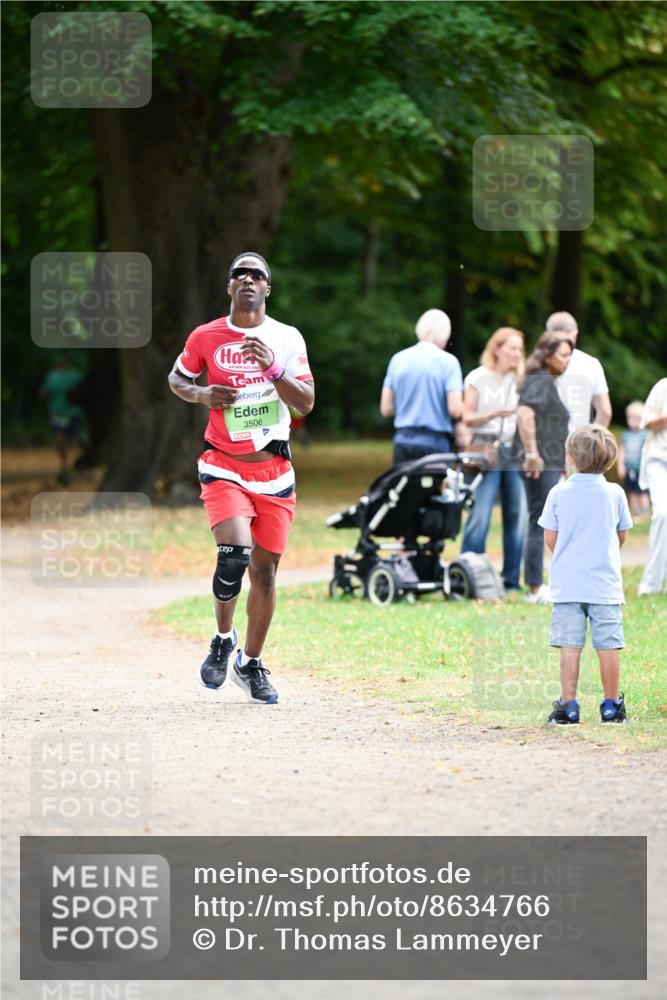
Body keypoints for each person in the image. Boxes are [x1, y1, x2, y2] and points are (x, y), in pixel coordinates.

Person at [168, 252, 315, 704]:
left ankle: (249, 664)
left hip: (274, 469)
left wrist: (273, 370)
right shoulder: (206, 335)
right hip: (223, 464)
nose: (248, 280)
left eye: (257, 275)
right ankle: (221, 637)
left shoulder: (286, 338)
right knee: (233, 555)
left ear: (267, 288)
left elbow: (306, 402)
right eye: (239, 274)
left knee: (265, 574)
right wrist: (201, 392)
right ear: (229, 286)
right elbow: (177, 378)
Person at [539, 425, 633, 724]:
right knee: (608, 645)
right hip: (604, 585)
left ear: (570, 457)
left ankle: (569, 706)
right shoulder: (615, 492)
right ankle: (610, 706)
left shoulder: (558, 492)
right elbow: (621, 535)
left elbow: (550, 539)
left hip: (567, 585)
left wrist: (568, 557)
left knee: (570, 646)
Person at [459, 327, 526, 591]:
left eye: (519, 349)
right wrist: (495, 413)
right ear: (497, 349)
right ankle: (469, 574)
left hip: (513, 450)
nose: (516, 354)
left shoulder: (519, 381)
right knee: (481, 512)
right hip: (485, 449)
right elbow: (467, 417)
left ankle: (511, 580)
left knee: (516, 513)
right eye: (512, 348)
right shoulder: (478, 377)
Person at [515, 330, 573, 603]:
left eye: (570, 355)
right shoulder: (539, 379)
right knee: (540, 520)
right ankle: (535, 588)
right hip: (539, 462)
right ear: (548, 355)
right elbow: (525, 414)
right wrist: (532, 453)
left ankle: (538, 584)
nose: (568, 360)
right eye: (563, 354)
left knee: (544, 519)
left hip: (550, 461)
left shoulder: (545, 379)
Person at [380, 309, 463, 464]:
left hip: (403, 441)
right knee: (435, 488)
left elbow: (386, 409)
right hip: (435, 443)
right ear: (445, 334)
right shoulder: (448, 362)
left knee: (405, 487)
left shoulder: (397, 359)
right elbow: (455, 409)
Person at [546, 311, 612, 430]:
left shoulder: (537, 362)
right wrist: (591, 441)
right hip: (578, 442)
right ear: (575, 333)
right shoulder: (591, 364)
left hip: (544, 442)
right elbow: (605, 412)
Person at [637, 377, 667, 596]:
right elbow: (645, 423)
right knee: (663, 515)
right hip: (659, 459)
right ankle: (651, 585)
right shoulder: (663, 386)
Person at [40, 356, 86, 485]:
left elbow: (84, 392)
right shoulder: (52, 376)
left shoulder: (76, 375)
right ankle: (64, 466)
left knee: (73, 439)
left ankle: (76, 463)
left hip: (73, 412)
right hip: (57, 412)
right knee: (59, 439)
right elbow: (44, 391)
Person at [617, 401, 650, 517]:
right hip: (629, 468)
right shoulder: (625, 435)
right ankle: (636, 513)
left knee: (643, 491)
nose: (634, 421)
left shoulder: (646, 434)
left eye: (637, 419)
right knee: (632, 491)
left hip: (642, 469)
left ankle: (645, 513)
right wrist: (620, 466)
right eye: (631, 418)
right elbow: (622, 452)